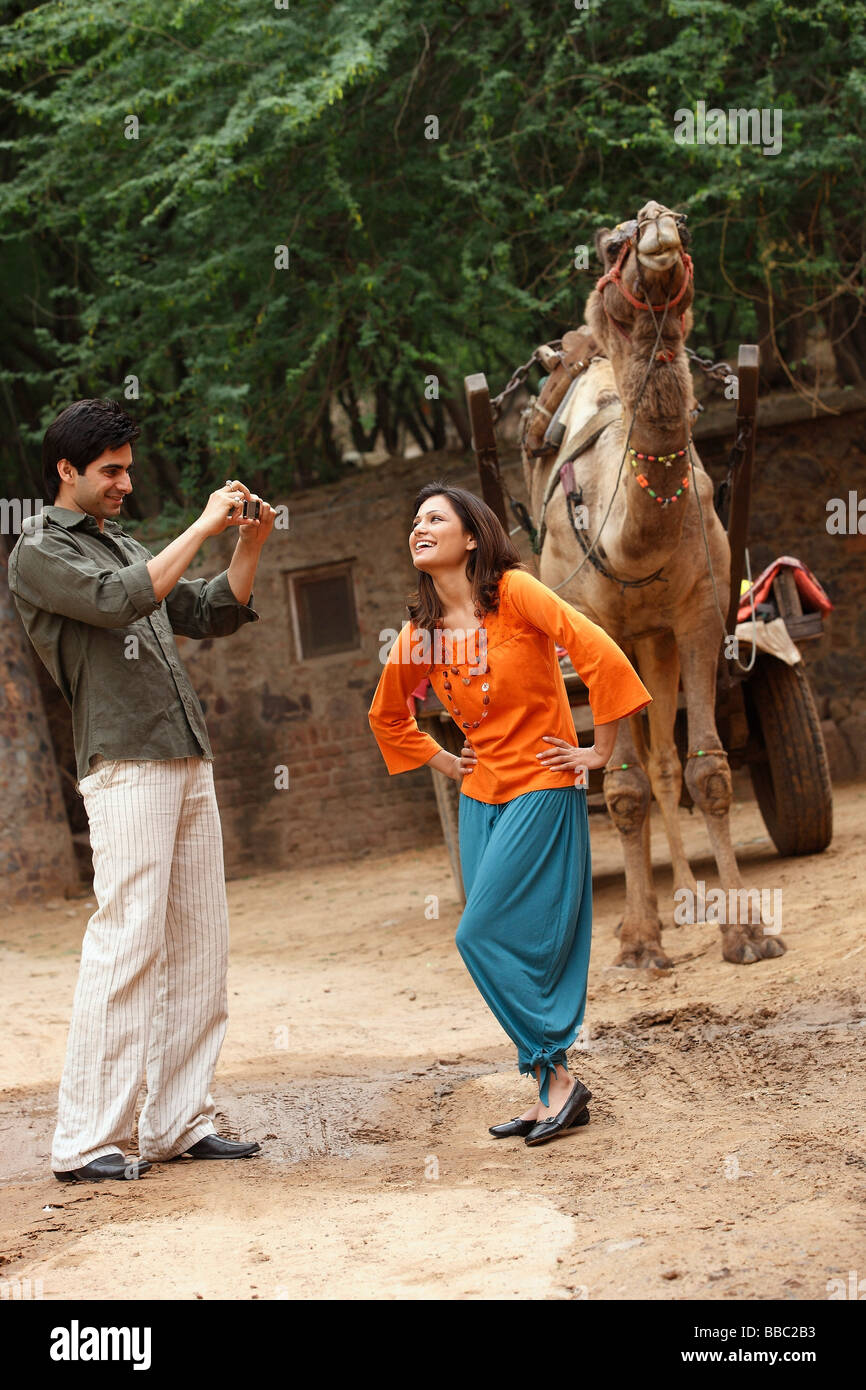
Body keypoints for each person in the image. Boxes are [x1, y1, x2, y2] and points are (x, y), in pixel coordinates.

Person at [7, 397, 275, 1182]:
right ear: (67, 471)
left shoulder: (120, 541)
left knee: (202, 946)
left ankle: (176, 1123)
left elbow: (212, 609)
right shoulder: (37, 550)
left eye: (127, 468)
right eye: (111, 471)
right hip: (122, 765)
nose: (125, 482)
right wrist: (200, 525)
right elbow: (124, 598)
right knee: (127, 943)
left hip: (184, 756)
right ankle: (86, 1139)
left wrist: (249, 540)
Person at [368, 482, 651, 1146]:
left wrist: (598, 750)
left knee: (479, 934)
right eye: (415, 519)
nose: (420, 525)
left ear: (472, 537)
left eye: (435, 516)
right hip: (480, 797)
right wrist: (445, 762)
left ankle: (557, 1084)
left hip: (542, 782)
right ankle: (546, 1084)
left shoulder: (517, 593)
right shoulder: (423, 635)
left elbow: (596, 650)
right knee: (514, 942)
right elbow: (385, 715)